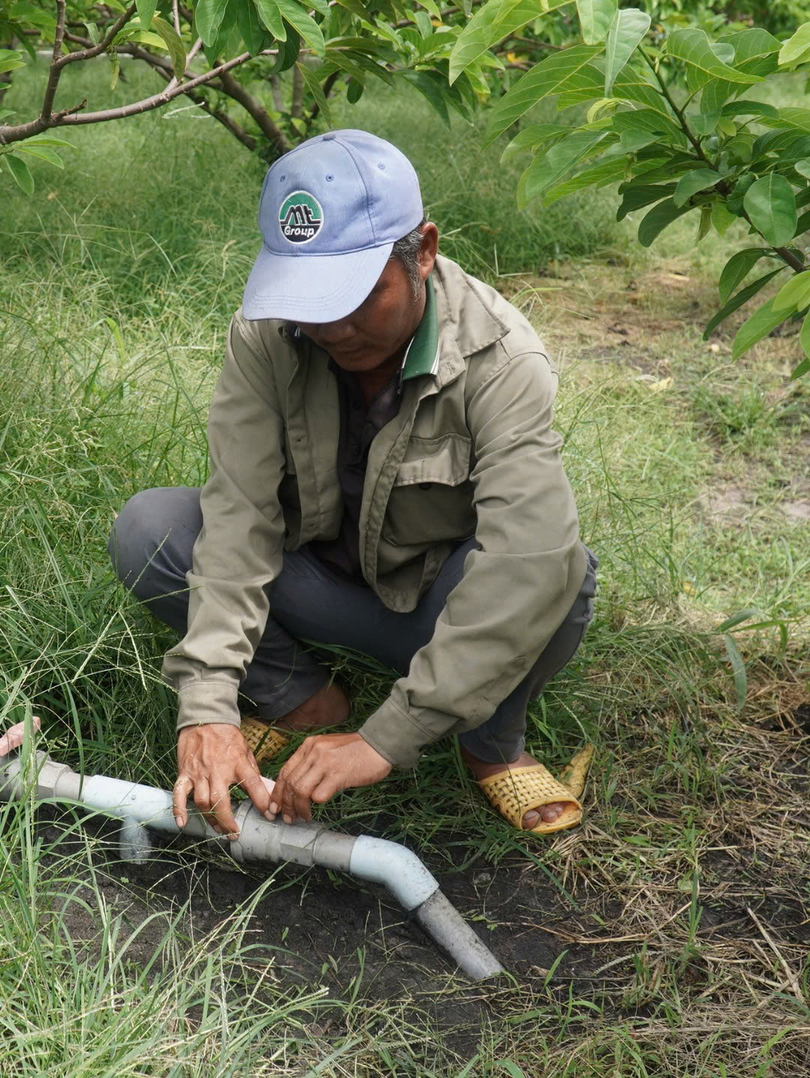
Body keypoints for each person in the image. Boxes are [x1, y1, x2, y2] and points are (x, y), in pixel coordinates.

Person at [106, 130, 598, 840]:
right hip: (317, 585)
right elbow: (239, 514)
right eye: (310, 296)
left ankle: (488, 744)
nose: (333, 325)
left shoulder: (503, 359)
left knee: (564, 574)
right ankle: (303, 703)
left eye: (357, 295)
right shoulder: (267, 335)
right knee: (152, 531)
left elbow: (527, 561)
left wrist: (387, 738)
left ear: (422, 251)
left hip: (440, 607)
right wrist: (209, 704)